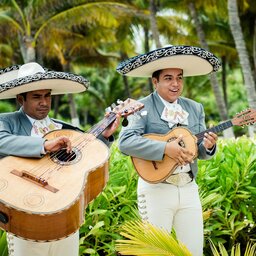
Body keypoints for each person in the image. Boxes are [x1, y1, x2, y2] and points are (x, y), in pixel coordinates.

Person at [0, 62, 120, 256]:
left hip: (65, 215)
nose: (44, 102)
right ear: (20, 99)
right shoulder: (6, 121)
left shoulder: (65, 128)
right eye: (37, 97)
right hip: (25, 217)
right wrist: (43, 145)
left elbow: (90, 155)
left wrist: (104, 136)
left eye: (47, 96)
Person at [117, 45, 221, 256]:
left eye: (180, 78)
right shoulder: (141, 106)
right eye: (168, 78)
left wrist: (208, 146)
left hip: (189, 188)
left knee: (193, 251)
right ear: (155, 81)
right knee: (156, 251)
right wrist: (165, 148)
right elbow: (125, 142)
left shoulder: (195, 107)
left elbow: (198, 151)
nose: (176, 84)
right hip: (156, 188)